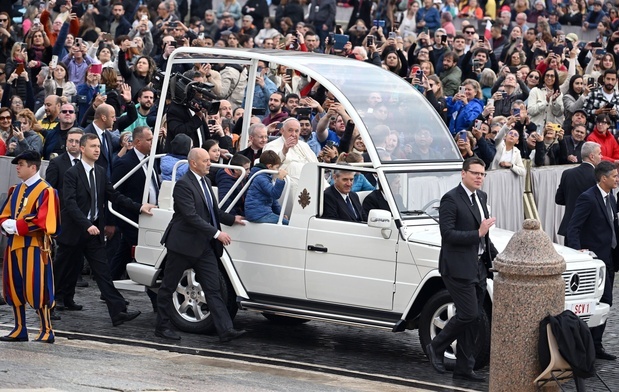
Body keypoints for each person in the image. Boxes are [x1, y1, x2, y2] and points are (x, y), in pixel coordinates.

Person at [54, 133, 154, 326]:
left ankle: (117, 312)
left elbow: (114, 196)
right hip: (74, 232)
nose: (97, 150)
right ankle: (46, 306)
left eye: (98, 146)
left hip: (94, 233)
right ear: (82, 149)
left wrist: (139, 207)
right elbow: (70, 204)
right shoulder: (71, 174)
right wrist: (87, 225)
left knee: (103, 272)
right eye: (93, 146)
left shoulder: (100, 171)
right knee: (60, 271)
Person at [155, 147, 246, 341]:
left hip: (203, 247)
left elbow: (211, 211)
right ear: (193, 163)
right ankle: (162, 327)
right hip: (182, 245)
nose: (209, 163)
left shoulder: (205, 181)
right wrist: (217, 233)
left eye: (208, 160)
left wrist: (231, 219)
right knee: (168, 287)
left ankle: (225, 330)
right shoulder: (183, 185)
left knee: (213, 288)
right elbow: (191, 216)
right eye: (205, 161)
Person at [426, 157, 497, 382]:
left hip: (478, 267)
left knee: (474, 320)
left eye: (482, 174)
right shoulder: (450, 199)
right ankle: (436, 346)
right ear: (463, 174)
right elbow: (447, 235)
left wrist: (498, 258)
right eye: (475, 173)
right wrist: (478, 233)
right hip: (456, 268)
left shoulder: (482, 197)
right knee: (468, 314)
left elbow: (485, 238)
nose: (479, 177)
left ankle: (465, 367)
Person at [0, 151, 60, 343]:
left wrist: (16, 225)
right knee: (14, 287)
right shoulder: (16, 190)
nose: (17, 167)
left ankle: (47, 330)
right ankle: (19, 328)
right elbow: (5, 214)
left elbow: (45, 222)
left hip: (35, 247)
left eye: (22, 164)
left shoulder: (46, 191)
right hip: (14, 246)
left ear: (33, 167)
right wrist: (6, 224)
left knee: (38, 288)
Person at [566, 160, 619, 361]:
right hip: (594, 261)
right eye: (614, 176)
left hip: (610, 258)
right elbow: (574, 227)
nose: (617, 179)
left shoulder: (611, 197)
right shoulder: (588, 198)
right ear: (603, 178)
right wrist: (578, 254)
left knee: (607, 302)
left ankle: (596, 346)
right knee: (594, 304)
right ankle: (585, 348)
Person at [555, 141, 601, 246]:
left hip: (570, 228)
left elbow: (559, 199)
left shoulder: (567, 174)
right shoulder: (599, 177)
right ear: (592, 156)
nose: (601, 156)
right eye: (599, 154)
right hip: (592, 230)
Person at [244, 150, 289, 225]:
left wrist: (281, 214)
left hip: (261, 212)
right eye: (277, 167)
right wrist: (280, 179)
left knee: (284, 221)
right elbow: (275, 194)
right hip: (258, 214)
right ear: (269, 166)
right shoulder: (260, 178)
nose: (277, 170)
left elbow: (273, 199)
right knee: (287, 224)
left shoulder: (264, 176)